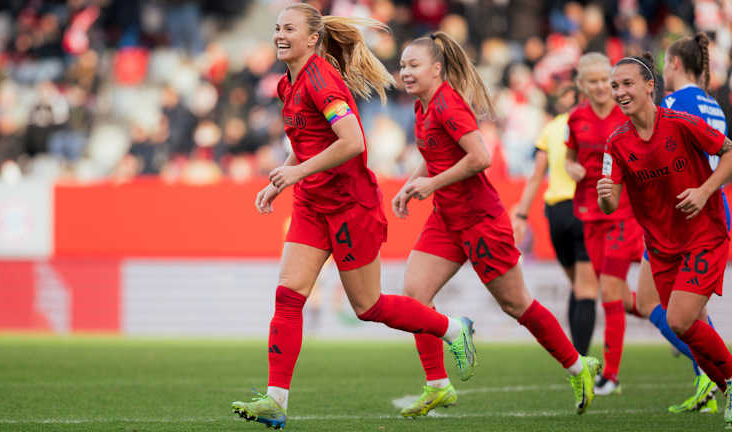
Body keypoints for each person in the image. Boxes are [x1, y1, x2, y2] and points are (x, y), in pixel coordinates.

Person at [230, 5, 478, 430]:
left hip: (350, 206)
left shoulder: (322, 79)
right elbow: (306, 140)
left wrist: (295, 172)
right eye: (276, 28)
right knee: (288, 296)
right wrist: (282, 181)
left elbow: (352, 142)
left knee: (368, 306)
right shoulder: (285, 84)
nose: (278, 35)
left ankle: (453, 327)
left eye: (288, 28)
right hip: (312, 202)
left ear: (312, 39)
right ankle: (275, 400)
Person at [392, 31, 600, 419]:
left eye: (413, 65)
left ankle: (578, 366)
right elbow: (435, 155)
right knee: (414, 295)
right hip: (447, 219)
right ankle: (438, 384)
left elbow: (480, 157)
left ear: (437, 69)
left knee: (516, 304)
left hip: (481, 220)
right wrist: (410, 186)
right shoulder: (422, 107)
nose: (405, 71)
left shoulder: (448, 105)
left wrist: (430, 184)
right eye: (403, 65)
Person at [600, 52, 732, 429]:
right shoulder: (616, 143)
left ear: (649, 86)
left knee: (678, 317)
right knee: (683, 325)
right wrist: (605, 194)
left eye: (627, 84)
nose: (620, 92)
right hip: (661, 247)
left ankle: (728, 385)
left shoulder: (681, 121)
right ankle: (715, 389)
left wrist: (705, 192)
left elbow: (728, 152)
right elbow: (609, 205)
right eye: (615, 86)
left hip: (703, 233)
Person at [634, 33, 728, 414]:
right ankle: (706, 377)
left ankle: (713, 375)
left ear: (673, 63)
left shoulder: (673, 102)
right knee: (687, 313)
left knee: (656, 305)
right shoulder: (713, 103)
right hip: (703, 209)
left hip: (678, 215)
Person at [564, 52, 643, 396]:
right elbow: (569, 157)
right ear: (582, 85)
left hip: (623, 215)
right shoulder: (576, 118)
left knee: (610, 294)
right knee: (622, 298)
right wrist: (572, 169)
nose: (600, 87)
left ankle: (610, 375)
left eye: (605, 81)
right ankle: (678, 322)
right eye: (593, 81)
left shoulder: (626, 114)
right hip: (589, 215)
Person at [511, 84, 599, 356]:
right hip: (585, 209)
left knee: (576, 284)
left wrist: (522, 214)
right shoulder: (595, 125)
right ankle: (581, 361)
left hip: (557, 212)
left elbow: (537, 174)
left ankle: (574, 358)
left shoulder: (552, 128)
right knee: (586, 289)